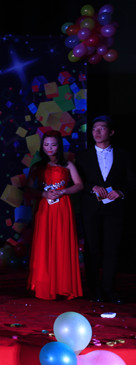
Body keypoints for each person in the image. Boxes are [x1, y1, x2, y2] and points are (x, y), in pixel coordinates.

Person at [76, 115, 135, 303]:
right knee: (92, 249)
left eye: (101, 128)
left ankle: (109, 289)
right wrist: (91, 187)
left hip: (115, 209)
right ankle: (94, 291)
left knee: (112, 249)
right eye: (94, 129)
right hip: (90, 209)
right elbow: (77, 182)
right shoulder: (82, 156)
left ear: (111, 132)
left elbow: (132, 182)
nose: (97, 132)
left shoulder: (124, 155)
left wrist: (121, 192)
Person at [26, 130, 83, 300]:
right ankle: (43, 284)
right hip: (45, 207)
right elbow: (28, 189)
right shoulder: (38, 166)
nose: (49, 148)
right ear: (42, 146)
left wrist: (63, 191)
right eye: (46, 144)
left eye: (53, 144)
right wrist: (43, 194)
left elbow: (79, 185)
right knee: (44, 245)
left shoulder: (68, 165)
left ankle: (63, 286)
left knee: (62, 244)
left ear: (59, 146)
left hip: (63, 207)